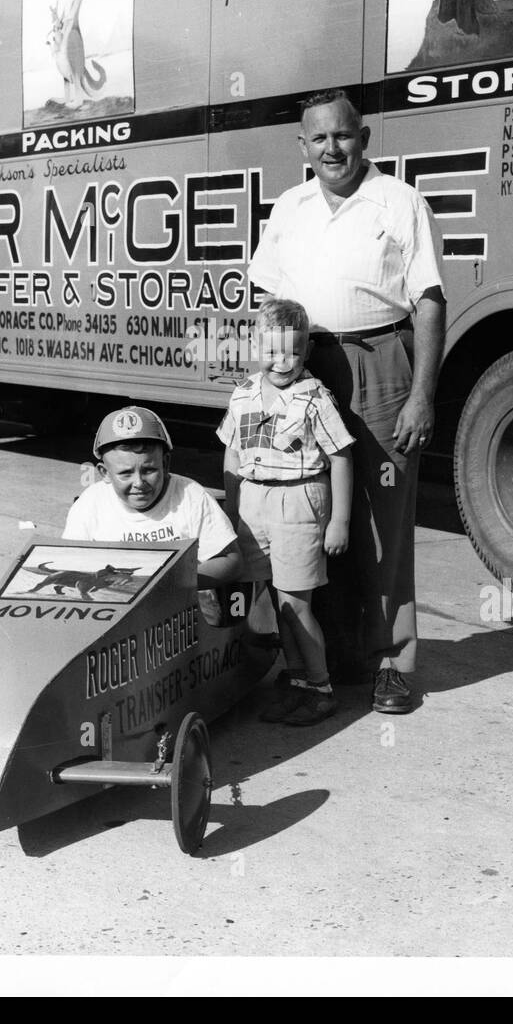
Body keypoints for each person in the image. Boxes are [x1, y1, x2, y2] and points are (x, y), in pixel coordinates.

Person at [246, 89, 446, 715]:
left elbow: (431, 302)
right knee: (311, 512)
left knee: (381, 517)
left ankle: (393, 663)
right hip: (306, 368)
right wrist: (265, 382)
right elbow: (268, 301)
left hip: (380, 362)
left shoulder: (401, 202)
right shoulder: (290, 206)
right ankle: (325, 662)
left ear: (365, 137)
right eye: (318, 139)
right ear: (301, 147)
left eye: (343, 135)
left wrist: (421, 395)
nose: (332, 148)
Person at [218, 298, 354, 726]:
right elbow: (232, 454)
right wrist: (233, 508)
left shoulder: (313, 397)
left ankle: (321, 687)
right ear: (257, 345)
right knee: (278, 602)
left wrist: (340, 520)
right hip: (254, 503)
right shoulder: (243, 394)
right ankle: (296, 683)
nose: (283, 361)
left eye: (294, 352)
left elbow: (342, 457)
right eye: (273, 351)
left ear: (307, 352)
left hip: (298, 502)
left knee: (296, 604)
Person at [63, 405, 241, 621]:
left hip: (185, 601)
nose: (139, 483)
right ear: (104, 473)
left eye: (149, 470)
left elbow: (232, 561)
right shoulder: (91, 502)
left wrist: (175, 582)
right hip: (115, 607)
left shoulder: (191, 495)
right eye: (125, 473)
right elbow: (72, 561)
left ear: (165, 464)